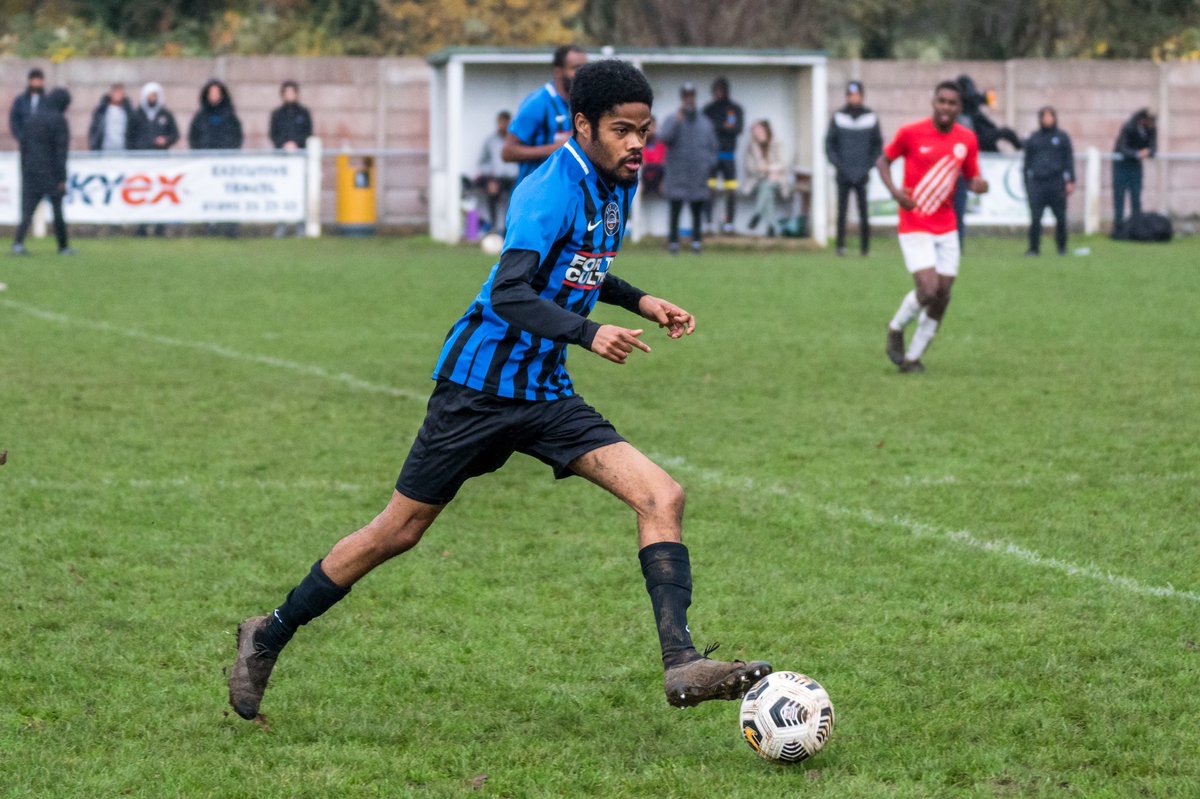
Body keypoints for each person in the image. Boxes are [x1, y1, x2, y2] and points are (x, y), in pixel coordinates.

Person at [227, 58, 771, 723]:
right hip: (478, 389)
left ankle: (681, 660)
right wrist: (590, 332)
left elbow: (579, 265)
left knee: (662, 495)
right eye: (623, 130)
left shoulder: (616, 183)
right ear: (583, 127)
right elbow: (513, 291)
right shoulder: (548, 189)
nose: (637, 144)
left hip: (545, 392)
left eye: (643, 129)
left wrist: (639, 298)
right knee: (397, 531)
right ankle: (269, 631)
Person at [877, 81, 988, 374]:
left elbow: (972, 177)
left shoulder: (967, 140)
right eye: (941, 101)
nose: (946, 108)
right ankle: (896, 328)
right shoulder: (910, 133)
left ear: (959, 108)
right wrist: (896, 193)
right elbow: (882, 161)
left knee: (943, 296)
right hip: (914, 223)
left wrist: (980, 185)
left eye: (952, 103)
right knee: (928, 289)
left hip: (946, 226)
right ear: (933, 102)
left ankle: (912, 359)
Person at [502, 44, 587, 186]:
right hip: (535, 194)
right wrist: (554, 149)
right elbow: (507, 152)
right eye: (576, 68)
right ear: (559, 72)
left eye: (585, 68)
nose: (582, 73)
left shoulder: (583, 102)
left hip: (568, 193)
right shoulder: (538, 103)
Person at [825, 81, 883, 256]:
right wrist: (839, 166)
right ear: (847, 97)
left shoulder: (870, 117)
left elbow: (877, 146)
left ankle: (865, 249)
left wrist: (867, 166)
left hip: (862, 173)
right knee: (841, 212)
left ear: (862, 96)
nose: (854, 98)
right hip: (843, 173)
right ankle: (840, 247)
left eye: (857, 95)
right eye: (851, 95)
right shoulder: (838, 117)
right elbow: (829, 145)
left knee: (864, 211)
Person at [12, 88, 72, 257]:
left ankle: (18, 244)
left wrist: (24, 168)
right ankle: (63, 246)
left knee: (27, 211)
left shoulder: (32, 119)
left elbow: (23, 146)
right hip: (51, 172)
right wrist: (62, 177)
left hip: (31, 170)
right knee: (57, 210)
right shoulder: (59, 121)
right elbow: (61, 151)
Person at [659, 83, 717, 255]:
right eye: (686, 96)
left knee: (697, 211)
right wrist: (677, 122)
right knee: (675, 210)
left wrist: (707, 164)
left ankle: (696, 243)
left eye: (692, 95)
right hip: (677, 174)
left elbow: (713, 147)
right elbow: (664, 138)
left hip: (698, 175)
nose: (689, 99)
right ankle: (673, 243)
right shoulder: (672, 119)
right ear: (682, 98)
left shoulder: (705, 122)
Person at [189, 79, 243, 237]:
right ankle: (210, 227)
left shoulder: (230, 115)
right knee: (208, 193)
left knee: (227, 195)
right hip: (206, 164)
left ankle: (230, 227)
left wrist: (230, 153)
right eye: (211, 93)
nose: (214, 96)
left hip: (226, 165)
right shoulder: (200, 116)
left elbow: (237, 137)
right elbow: (194, 137)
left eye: (217, 93)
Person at [129, 81, 180, 238]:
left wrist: (166, 141)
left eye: (155, 95)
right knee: (143, 192)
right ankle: (142, 226)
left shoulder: (165, 114)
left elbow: (175, 134)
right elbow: (130, 137)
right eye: (150, 95)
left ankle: (160, 226)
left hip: (160, 160)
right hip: (142, 161)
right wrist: (140, 148)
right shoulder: (137, 114)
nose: (153, 98)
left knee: (160, 192)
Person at [1022, 106, 1075, 257]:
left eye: (1049, 116)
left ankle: (1062, 248)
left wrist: (1071, 180)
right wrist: (1027, 182)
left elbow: (1068, 160)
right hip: (1038, 183)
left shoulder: (1062, 137)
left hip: (1056, 182)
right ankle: (1033, 249)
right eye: (1044, 117)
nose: (1047, 120)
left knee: (1060, 217)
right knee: (1035, 218)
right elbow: (1027, 162)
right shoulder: (1034, 138)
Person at [268, 80, 314, 237]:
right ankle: (281, 224)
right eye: (287, 92)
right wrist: (284, 145)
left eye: (292, 92)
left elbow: (308, 133)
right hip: (282, 161)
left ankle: (300, 224)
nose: (289, 95)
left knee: (300, 191)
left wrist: (297, 144)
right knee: (282, 191)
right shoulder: (277, 114)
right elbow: (273, 134)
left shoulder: (304, 113)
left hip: (300, 160)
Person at [702, 78, 744, 234]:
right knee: (709, 190)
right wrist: (724, 126)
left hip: (728, 157)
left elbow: (737, 129)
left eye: (722, 90)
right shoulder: (708, 109)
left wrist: (717, 127)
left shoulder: (734, 109)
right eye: (716, 90)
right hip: (711, 157)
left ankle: (729, 223)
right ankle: (708, 223)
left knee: (731, 190)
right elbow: (705, 130)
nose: (719, 93)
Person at [742, 120, 790, 237]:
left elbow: (783, 163)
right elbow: (749, 167)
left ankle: (758, 214)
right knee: (766, 190)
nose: (757, 133)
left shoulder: (776, 143)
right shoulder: (751, 147)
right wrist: (763, 172)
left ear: (766, 130)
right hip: (758, 180)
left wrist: (770, 169)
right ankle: (771, 227)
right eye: (754, 131)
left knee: (767, 186)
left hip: (777, 179)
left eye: (759, 130)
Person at [1112, 108, 1156, 232]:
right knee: (1119, 198)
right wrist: (1137, 154)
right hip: (1121, 166)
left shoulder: (1150, 129)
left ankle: (1136, 227)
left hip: (1135, 167)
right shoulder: (1128, 127)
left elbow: (1153, 148)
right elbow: (1122, 148)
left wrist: (1148, 151)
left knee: (1136, 197)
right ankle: (1118, 228)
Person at [476, 110, 518, 233]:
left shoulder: (516, 141)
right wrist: (490, 178)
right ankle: (494, 227)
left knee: (516, 198)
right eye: (501, 122)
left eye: (506, 122)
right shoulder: (490, 141)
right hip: (497, 178)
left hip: (513, 179)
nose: (504, 125)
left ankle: (510, 229)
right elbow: (482, 162)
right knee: (492, 192)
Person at [87, 83, 132, 152]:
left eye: (120, 93)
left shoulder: (128, 111)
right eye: (116, 92)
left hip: (123, 149)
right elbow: (94, 129)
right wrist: (94, 144)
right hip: (105, 149)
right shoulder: (101, 111)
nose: (118, 95)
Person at [9, 68, 45, 145]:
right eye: (35, 81)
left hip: (43, 141)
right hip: (25, 140)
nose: (37, 83)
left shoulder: (47, 99)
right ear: (30, 81)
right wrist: (20, 136)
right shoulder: (20, 100)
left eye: (39, 81)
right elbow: (14, 119)